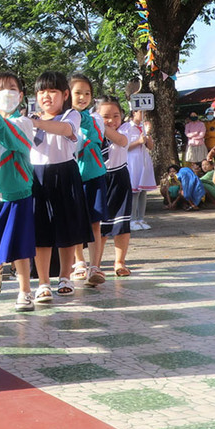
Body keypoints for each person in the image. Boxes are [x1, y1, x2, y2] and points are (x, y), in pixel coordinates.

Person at [0, 72, 37, 310]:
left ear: (20, 96)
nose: (7, 94)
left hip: (18, 195)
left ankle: (25, 292)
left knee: (21, 247)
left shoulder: (23, 123)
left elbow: (9, 135)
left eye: (12, 89)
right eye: (1, 89)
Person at [30, 71, 92, 301]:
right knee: (41, 231)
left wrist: (37, 123)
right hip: (37, 176)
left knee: (67, 228)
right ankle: (43, 282)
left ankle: (65, 277)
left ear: (65, 94)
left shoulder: (71, 115)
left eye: (52, 91)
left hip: (65, 173)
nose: (46, 96)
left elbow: (66, 130)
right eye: (41, 91)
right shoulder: (30, 118)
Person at [69, 73, 117, 288]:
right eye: (78, 93)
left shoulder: (95, 118)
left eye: (87, 93)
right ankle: (79, 262)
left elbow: (95, 136)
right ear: (66, 94)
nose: (83, 97)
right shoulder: (61, 120)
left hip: (94, 175)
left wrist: (81, 117)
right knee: (74, 221)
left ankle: (95, 266)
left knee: (95, 222)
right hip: (71, 177)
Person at [97, 97, 132, 276]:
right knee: (100, 227)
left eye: (116, 115)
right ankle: (95, 265)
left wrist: (99, 125)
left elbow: (121, 141)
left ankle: (120, 262)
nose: (111, 120)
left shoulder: (126, 129)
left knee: (122, 224)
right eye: (105, 116)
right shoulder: (92, 133)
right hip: (98, 179)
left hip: (120, 179)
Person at [127, 109, 157, 230]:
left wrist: (147, 133)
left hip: (144, 160)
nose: (143, 114)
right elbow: (124, 146)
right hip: (132, 161)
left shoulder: (144, 127)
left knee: (143, 191)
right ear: (134, 112)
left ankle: (141, 218)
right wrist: (138, 141)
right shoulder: (127, 127)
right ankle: (132, 219)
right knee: (134, 191)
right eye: (140, 112)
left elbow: (150, 146)